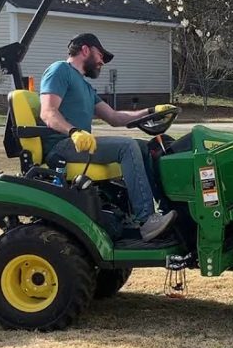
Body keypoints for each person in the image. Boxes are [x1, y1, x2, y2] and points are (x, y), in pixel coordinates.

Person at [39, 33, 176, 241]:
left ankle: (165, 210)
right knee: (126, 147)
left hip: (80, 144)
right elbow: (47, 112)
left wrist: (151, 111)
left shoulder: (85, 86)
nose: (102, 61)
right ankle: (147, 220)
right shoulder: (59, 71)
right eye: (100, 55)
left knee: (144, 147)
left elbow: (114, 117)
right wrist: (74, 132)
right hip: (62, 146)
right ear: (85, 50)